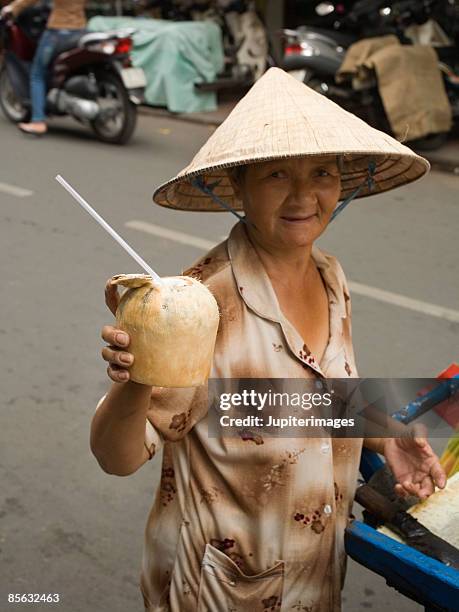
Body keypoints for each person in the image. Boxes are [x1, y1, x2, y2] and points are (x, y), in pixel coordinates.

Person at [90, 68, 447, 611]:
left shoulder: (332, 278)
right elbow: (116, 456)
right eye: (278, 174)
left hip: (317, 577)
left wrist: (386, 435)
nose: (304, 195)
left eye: (323, 172)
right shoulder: (199, 306)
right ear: (239, 186)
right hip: (221, 590)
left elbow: (308, 398)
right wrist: (135, 379)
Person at [1, 0, 87, 135]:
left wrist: (12, 8)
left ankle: (37, 121)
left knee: (37, 74)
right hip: (81, 31)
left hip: (58, 32)